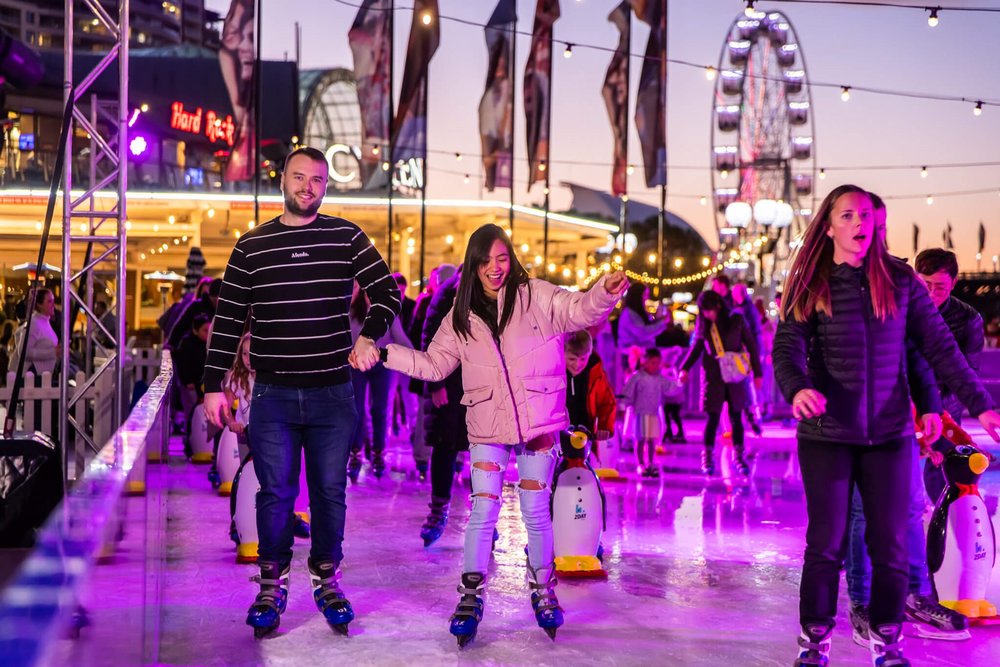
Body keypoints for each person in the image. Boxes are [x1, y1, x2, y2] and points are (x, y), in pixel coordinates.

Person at [771, 184, 1000, 667]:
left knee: (891, 544)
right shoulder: (810, 283)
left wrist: (980, 406)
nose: (859, 223)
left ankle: (887, 639)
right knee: (826, 544)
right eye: (847, 215)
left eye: (866, 215)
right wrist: (797, 389)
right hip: (827, 435)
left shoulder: (899, 282)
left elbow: (936, 349)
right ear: (828, 226)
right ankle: (814, 640)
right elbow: (787, 347)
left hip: (890, 435)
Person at [374, 223, 627, 644]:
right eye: (485, 261)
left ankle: (543, 588)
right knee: (482, 511)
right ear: (473, 265)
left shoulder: (537, 296)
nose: (495, 267)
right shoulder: (460, 316)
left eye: (502, 258)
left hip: (537, 422)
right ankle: (470, 595)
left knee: (536, 512)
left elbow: (580, 310)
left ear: (511, 259)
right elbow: (433, 365)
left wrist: (604, 291)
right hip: (488, 423)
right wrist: (385, 354)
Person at [202, 146, 400, 638]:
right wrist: (212, 386)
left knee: (330, 492)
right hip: (274, 394)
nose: (307, 187)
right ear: (283, 181)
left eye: (317, 179)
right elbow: (227, 321)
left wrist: (369, 336)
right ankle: (271, 586)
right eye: (299, 177)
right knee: (275, 493)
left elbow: (387, 292)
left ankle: (328, 579)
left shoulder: (346, 236)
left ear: (326, 186)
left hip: (333, 393)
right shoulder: (252, 247)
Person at [845, 204, 972, 643]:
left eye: (878, 225)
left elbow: (930, 366)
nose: (869, 232)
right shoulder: (852, 285)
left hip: (906, 424)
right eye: (858, 221)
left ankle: (916, 596)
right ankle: (861, 603)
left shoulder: (906, 291)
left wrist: (932, 422)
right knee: (862, 514)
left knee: (912, 508)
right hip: (856, 424)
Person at [914, 248, 985, 503]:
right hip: (904, 405)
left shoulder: (968, 319)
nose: (931, 293)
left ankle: (943, 516)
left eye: (940, 287)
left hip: (945, 407)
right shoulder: (901, 310)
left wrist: (936, 409)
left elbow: (968, 373)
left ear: (954, 283)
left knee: (942, 469)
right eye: (926, 285)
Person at [679, 290, 762, 477]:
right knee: (713, 418)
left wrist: (758, 373)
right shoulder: (704, 325)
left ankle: (739, 457)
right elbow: (697, 347)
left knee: (736, 417)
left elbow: (751, 345)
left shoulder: (736, 320)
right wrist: (684, 368)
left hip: (734, 376)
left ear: (718, 306)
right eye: (703, 311)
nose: (706, 314)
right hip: (714, 376)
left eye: (709, 310)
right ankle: (707, 458)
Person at [417, 266, 468, 547]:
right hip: (448, 383)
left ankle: (485, 516)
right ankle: (438, 511)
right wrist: (436, 384)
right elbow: (429, 336)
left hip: (481, 383)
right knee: (444, 446)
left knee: (484, 450)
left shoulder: (495, 292)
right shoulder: (448, 292)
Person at [347, 282, 412, 480]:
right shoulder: (354, 311)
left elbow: (401, 339)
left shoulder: (386, 311)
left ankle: (378, 453)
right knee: (357, 409)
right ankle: (356, 453)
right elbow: (347, 338)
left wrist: (419, 359)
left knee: (380, 410)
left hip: (382, 366)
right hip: (357, 365)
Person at [620, 347, 679, 477]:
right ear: (644, 362)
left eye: (658, 363)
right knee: (640, 440)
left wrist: (679, 383)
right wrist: (623, 406)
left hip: (653, 414)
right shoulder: (637, 377)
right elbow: (628, 392)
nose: (656, 366)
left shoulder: (659, 378)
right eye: (653, 363)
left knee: (652, 440)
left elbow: (670, 388)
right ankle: (640, 464)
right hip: (640, 414)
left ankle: (651, 463)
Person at [564, 330, 616, 437]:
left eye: (583, 359)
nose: (577, 365)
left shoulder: (595, 373)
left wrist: (604, 425)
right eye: (572, 359)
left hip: (586, 436)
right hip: (557, 437)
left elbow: (606, 401)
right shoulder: (554, 374)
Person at [176, 313, 211, 457]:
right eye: (205, 330)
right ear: (195, 330)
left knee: (200, 415)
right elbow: (183, 364)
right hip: (189, 386)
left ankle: (201, 443)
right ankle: (189, 444)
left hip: (201, 385)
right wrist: (187, 381)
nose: (207, 333)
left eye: (209, 330)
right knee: (190, 415)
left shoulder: (206, 345)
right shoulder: (187, 343)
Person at [11, 288, 59, 377]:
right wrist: (52, 352)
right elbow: (24, 352)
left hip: (45, 377)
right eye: (49, 301)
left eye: (53, 301)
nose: (53, 304)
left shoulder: (46, 322)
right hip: (34, 377)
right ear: (39, 305)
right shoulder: (34, 323)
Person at [617, 283, 668, 357]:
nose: (647, 298)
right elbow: (643, 333)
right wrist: (662, 322)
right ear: (638, 295)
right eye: (645, 295)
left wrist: (658, 319)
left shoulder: (639, 313)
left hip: (640, 354)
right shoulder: (629, 313)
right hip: (631, 356)